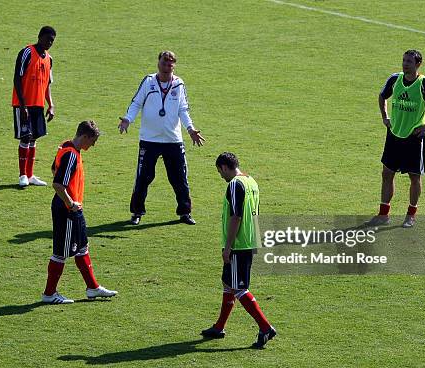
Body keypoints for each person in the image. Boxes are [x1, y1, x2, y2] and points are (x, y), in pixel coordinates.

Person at [118, 50, 205, 225]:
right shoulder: (149, 81)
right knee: (143, 178)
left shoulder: (179, 84)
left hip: (173, 140)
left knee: (179, 177)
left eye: (170, 65)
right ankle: (136, 212)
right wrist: (128, 119)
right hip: (149, 139)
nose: (167, 68)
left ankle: (185, 212)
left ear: (174, 66)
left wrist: (190, 129)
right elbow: (136, 102)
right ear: (158, 63)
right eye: (164, 64)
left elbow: (183, 109)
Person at [201, 152, 276, 349]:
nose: (220, 176)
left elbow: (237, 217)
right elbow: (256, 212)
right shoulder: (251, 181)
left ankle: (265, 327)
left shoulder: (234, 184)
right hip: (249, 241)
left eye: (220, 171)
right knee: (228, 283)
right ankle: (219, 327)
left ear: (225, 167)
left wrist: (228, 247)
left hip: (238, 244)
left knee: (239, 288)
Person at [366, 50, 425, 228]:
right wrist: (384, 116)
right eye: (404, 60)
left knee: (414, 177)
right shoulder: (394, 79)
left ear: (418, 64)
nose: (405, 64)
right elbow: (382, 96)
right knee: (387, 174)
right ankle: (383, 214)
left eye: (409, 61)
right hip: (394, 134)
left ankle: (411, 215)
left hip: (414, 137)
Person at [42, 120, 117, 304]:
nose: (92, 146)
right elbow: (58, 184)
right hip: (67, 210)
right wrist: (70, 202)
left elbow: (54, 169)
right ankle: (49, 294)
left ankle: (93, 288)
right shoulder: (71, 156)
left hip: (74, 209)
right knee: (60, 252)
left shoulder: (65, 146)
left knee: (82, 247)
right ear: (85, 136)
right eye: (92, 141)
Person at [12, 26, 57, 188]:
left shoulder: (49, 59)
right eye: (47, 39)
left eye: (52, 40)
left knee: (33, 138)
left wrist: (51, 105)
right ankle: (22, 174)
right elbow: (17, 79)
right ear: (39, 37)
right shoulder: (26, 53)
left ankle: (30, 175)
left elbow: (47, 84)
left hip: (38, 105)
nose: (49, 42)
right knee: (25, 137)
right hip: (23, 104)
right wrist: (22, 106)